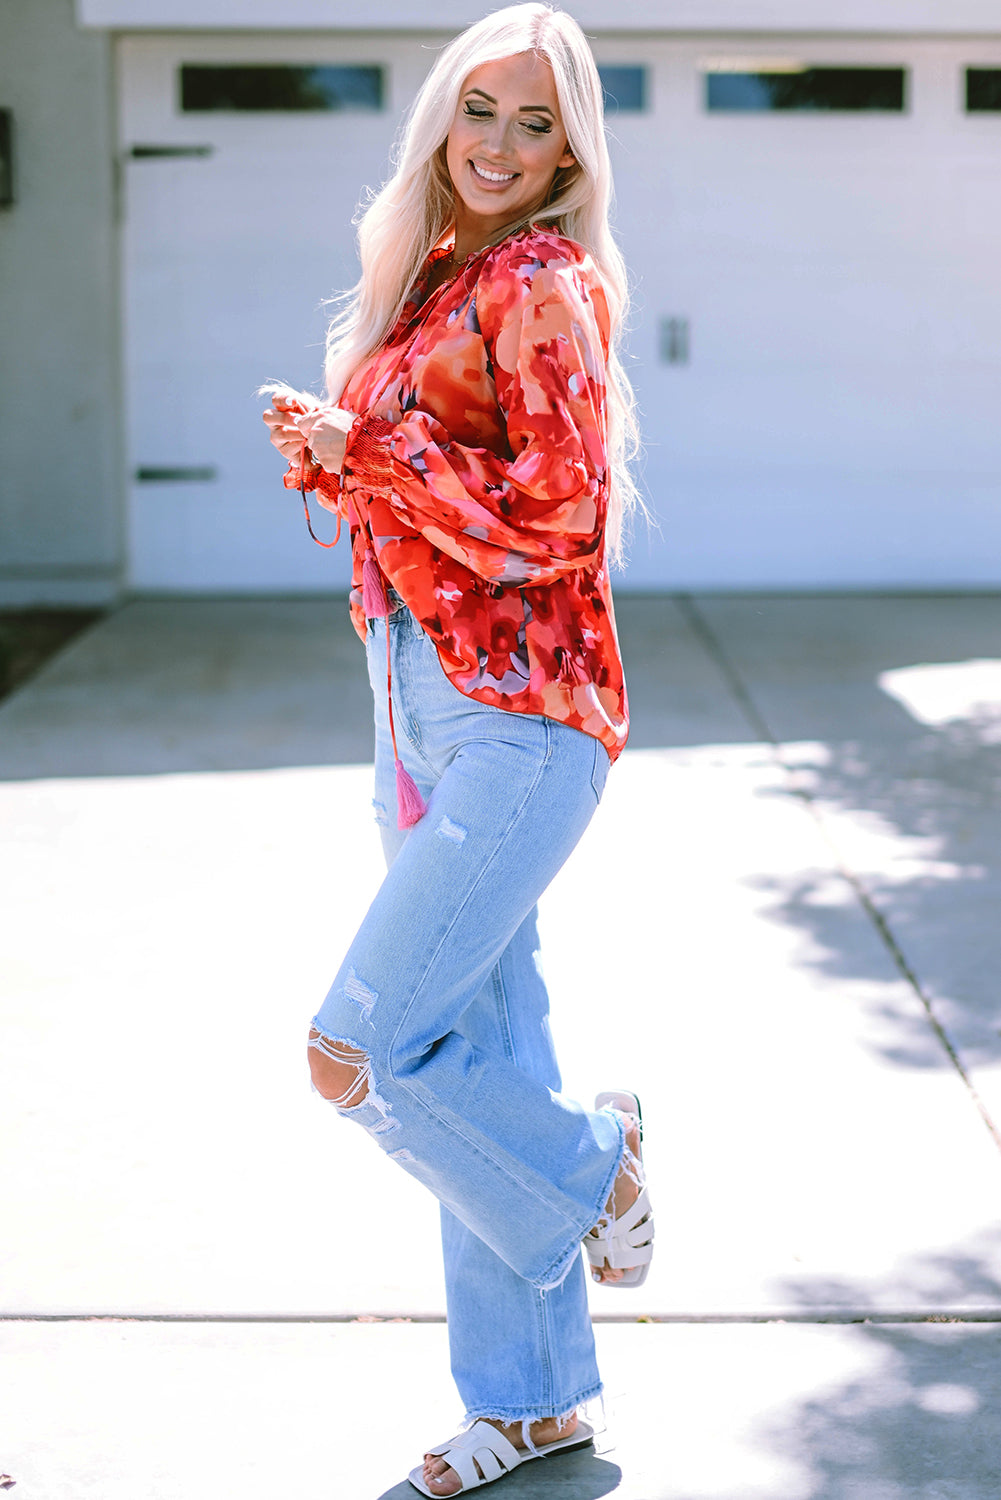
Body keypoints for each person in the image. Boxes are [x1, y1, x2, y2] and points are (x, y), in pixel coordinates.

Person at [261, 5, 653, 1493]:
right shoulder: (436, 274)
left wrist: (374, 452)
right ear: (440, 119)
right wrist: (340, 453)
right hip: (417, 695)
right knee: (478, 1043)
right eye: (478, 112)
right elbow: (438, 500)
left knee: (360, 1051)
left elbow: (552, 517)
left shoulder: (542, 278)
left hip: (518, 715)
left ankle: (587, 1161)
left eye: (534, 123)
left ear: (570, 147)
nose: (498, 146)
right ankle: (535, 1400)